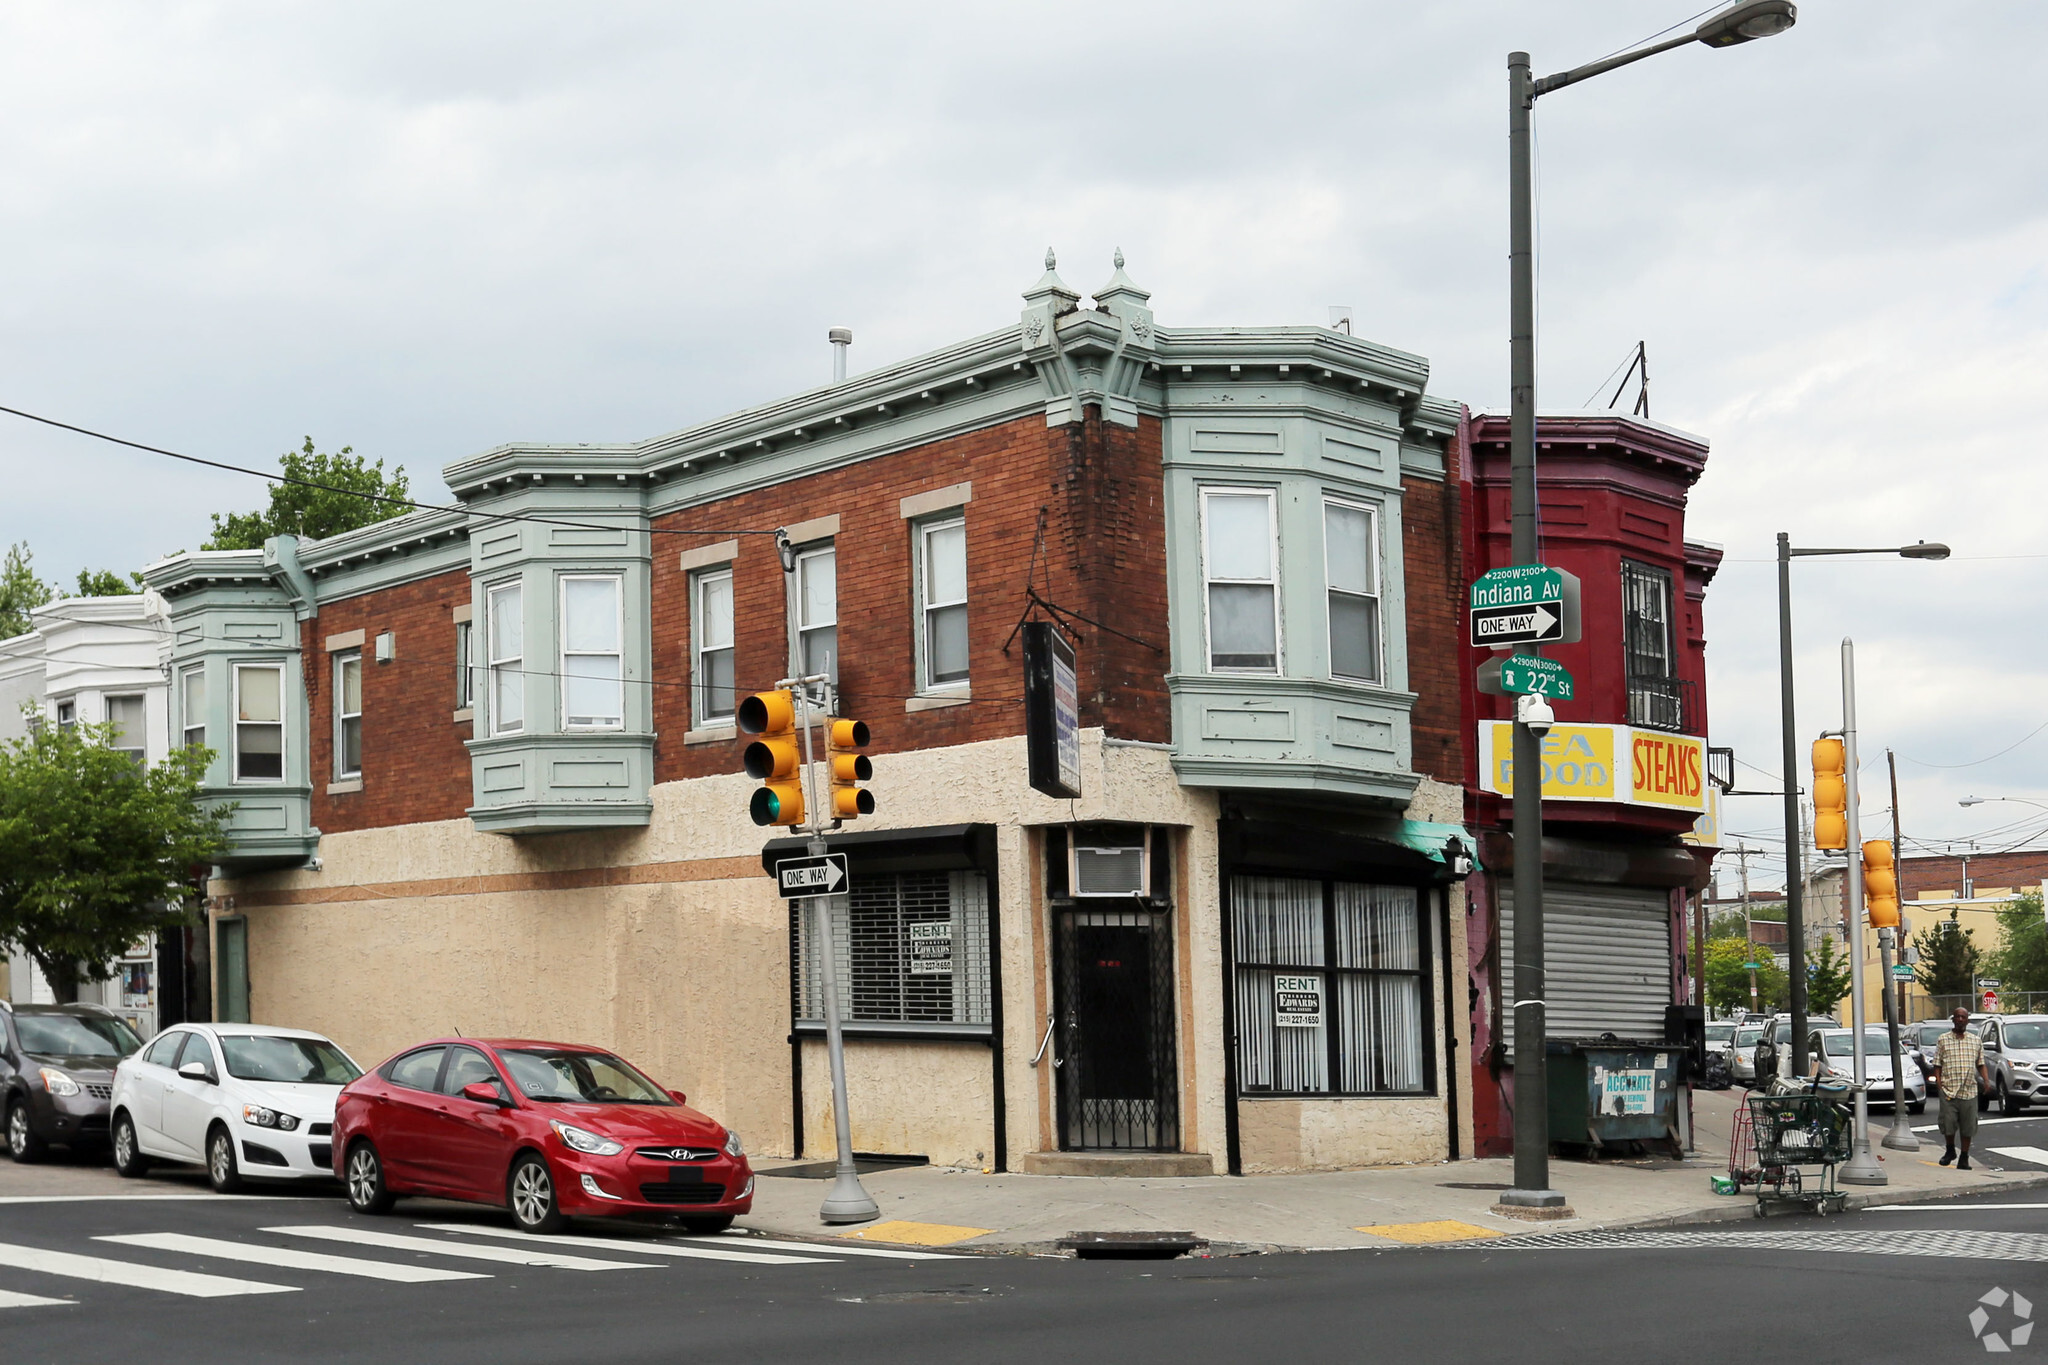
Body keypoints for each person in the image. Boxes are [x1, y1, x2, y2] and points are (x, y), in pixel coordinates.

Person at [1930, 1006, 1991, 1170]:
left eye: (1963, 1017)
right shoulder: (1943, 1039)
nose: (1960, 1019)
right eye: (1957, 1016)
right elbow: (1937, 1064)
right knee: (1948, 1124)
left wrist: (1986, 1081)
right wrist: (1938, 1082)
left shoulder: (1975, 1040)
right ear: (1953, 1019)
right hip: (1949, 1089)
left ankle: (1964, 1157)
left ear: (1967, 1020)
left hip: (1969, 1090)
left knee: (1968, 1126)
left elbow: (1981, 1064)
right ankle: (1950, 1150)